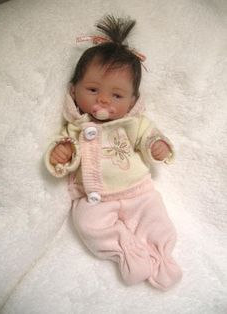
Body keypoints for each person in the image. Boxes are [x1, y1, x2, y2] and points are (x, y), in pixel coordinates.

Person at [45, 15, 182, 290]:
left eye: (117, 96)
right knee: (86, 224)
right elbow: (68, 153)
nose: (104, 99)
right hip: (96, 201)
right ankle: (127, 252)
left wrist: (157, 145)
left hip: (137, 191)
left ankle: (161, 256)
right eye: (93, 89)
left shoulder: (133, 123)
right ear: (74, 90)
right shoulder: (75, 128)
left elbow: (148, 136)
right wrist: (61, 154)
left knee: (156, 220)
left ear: (133, 101)